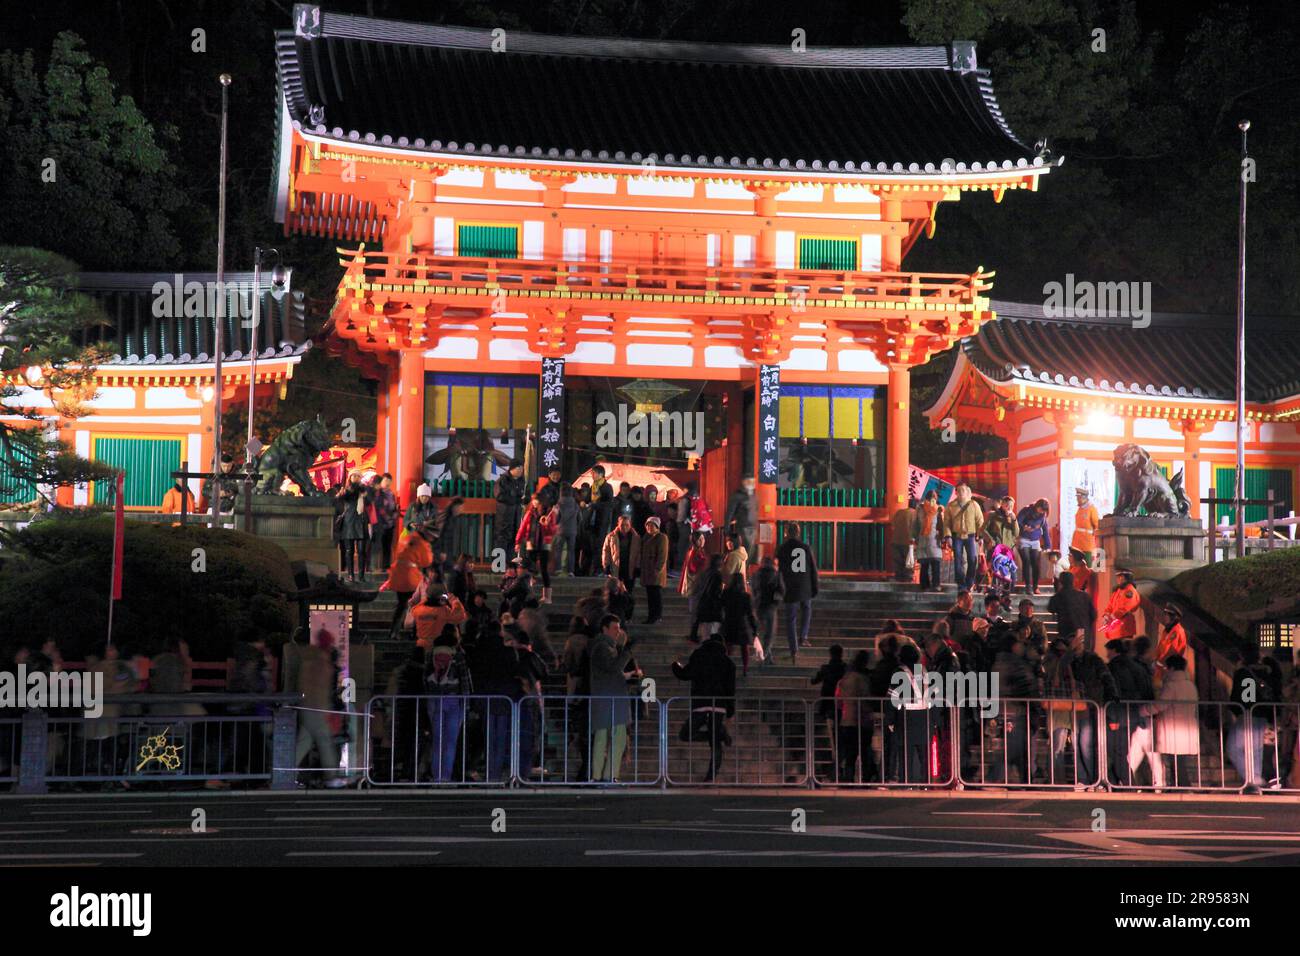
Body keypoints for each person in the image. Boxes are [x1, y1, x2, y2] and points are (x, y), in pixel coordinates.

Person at [672, 632, 736, 782]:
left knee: (685, 734)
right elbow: (730, 690)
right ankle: (711, 775)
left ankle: (719, 734)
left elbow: (685, 674)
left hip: (700, 703)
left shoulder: (699, 655)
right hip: (718, 705)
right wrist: (730, 712)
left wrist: (675, 665)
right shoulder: (728, 663)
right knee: (715, 742)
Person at [293, 631, 347, 787]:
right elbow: (321, 690)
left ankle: (283, 773)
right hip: (319, 709)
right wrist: (327, 710)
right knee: (325, 743)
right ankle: (331, 777)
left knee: (303, 744)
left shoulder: (308, 661)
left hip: (308, 707)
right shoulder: (322, 663)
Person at [1140, 653, 1199, 790]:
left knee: (1174, 760)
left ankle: (1180, 785)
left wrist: (1142, 710)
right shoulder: (1190, 685)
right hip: (1187, 726)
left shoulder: (1171, 686)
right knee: (1179, 760)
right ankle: (1180, 784)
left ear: (1171, 668)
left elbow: (1160, 705)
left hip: (1173, 727)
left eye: (1166, 667)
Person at [589, 614, 635, 782]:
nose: (618, 631)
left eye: (619, 628)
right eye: (615, 628)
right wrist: (627, 651)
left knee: (609, 738)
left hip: (608, 697)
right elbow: (612, 667)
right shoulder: (602, 647)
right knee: (612, 738)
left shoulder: (606, 646)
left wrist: (627, 675)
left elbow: (611, 671)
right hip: (608, 699)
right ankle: (605, 775)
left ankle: (603, 775)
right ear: (605, 629)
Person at [425, 628, 473, 783]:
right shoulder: (457, 656)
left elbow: (424, 678)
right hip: (454, 700)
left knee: (437, 740)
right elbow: (465, 679)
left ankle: (436, 776)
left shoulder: (430, 655)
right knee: (451, 741)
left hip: (434, 700)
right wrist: (466, 702)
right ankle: (446, 775)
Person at [1105, 637, 1153, 788]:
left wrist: (1113, 715)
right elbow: (1147, 691)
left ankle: (1128, 784)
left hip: (1118, 715)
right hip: (1133, 714)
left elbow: (1113, 692)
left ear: (1114, 651)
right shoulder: (1138, 667)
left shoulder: (1114, 668)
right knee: (1120, 749)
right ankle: (1114, 782)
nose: (1107, 655)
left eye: (1108, 651)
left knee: (1116, 750)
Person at [1228, 644, 1272, 793]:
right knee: (1255, 749)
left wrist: (1235, 708)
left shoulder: (1243, 672)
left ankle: (1252, 779)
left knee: (1234, 748)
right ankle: (1256, 778)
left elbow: (1241, 695)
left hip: (1246, 713)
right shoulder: (1266, 672)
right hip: (1261, 713)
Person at [777, 522, 819, 664]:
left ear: (787, 532)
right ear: (798, 533)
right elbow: (813, 569)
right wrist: (815, 586)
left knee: (791, 618)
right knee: (806, 609)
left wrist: (779, 588)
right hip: (805, 585)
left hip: (790, 586)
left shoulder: (783, 549)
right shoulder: (805, 548)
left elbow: (780, 571)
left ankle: (794, 648)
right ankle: (804, 636)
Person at [835, 650, 875, 783]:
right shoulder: (863, 678)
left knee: (850, 754)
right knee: (864, 752)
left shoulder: (844, 679)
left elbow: (838, 700)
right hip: (862, 720)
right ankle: (865, 779)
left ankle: (848, 779)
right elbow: (866, 698)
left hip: (847, 720)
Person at [811, 644, 847, 779]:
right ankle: (838, 765)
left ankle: (836, 764)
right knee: (839, 736)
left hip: (829, 706)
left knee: (833, 736)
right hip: (842, 706)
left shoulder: (826, 668)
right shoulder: (845, 668)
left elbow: (814, 681)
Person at [515, 494, 558, 604]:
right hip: (531, 542)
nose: (534, 503)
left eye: (536, 501)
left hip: (544, 543)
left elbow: (553, 531)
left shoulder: (550, 514)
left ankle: (547, 597)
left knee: (544, 570)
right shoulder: (530, 513)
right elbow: (523, 527)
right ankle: (530, 594)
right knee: (530, 569)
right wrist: (518, 541)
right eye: (534, 501)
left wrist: (546, 525)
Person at [943, 483, 984, 591]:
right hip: (957, 536)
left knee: (972, 559)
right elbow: (946, 522)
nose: (961, 492)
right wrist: (948, 536)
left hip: (970, 536)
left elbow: (980, 522)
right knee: (958, 560)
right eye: (959, 490)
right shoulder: (951, 506)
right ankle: (961, 584)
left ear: (967, 492)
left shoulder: (974, 504)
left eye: (963, 490)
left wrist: (981, 536)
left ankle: (970, 581)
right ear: (956, 492)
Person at [602, 513, 641, 621]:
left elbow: (638, 553)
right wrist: (606, 565)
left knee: (628, 593)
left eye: (626, 525)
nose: (624, 527)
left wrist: (638, 567)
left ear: (630, 525)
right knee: (613, 593)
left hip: (630, 568)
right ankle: (614, 615)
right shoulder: (611, 536)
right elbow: (606, 551)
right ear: (618, 525)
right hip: (616, 568)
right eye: (622, 525)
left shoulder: (636, 537)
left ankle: (627, 616)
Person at [721, 571, 759, 675]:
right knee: (744, 648)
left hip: (729, 622)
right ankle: (745, 669)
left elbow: (721, 606)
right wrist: (754, 628)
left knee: (728, 647)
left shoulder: (726, 593)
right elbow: (750, 613)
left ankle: (726, 668)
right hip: (742, 624)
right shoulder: (746, 596)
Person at [1048, 570, 1097, 652]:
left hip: (1066, 633)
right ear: (1073, 581)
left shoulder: (1058, 596)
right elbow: (1093, 615)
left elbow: (1051, 608)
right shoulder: (1084, 596)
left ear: (1061, 582)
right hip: (1084, 632)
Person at [336, 471, 371, 582]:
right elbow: (340, 499)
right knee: (349, 550)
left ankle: (361, 575)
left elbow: (369, 503)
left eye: (358, 476)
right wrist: (342, 493)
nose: (356, 478)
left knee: (362, 551)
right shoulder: (346, 489)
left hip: (361, 521)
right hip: (349, 522)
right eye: (353, 476)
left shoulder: (364, 490)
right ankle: (351, 575)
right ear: (350, 477)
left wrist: (365, 495)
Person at [1015, 498, 1052, 595]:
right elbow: (1017, 521)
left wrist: (1048, 545)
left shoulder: (1043, 517)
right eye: (1040, 509)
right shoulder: (1027, 510)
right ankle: (1028, 586)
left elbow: (1045, 531)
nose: (1041, 511)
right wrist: (1024, 527)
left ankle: (1035, 586)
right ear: (1037, 506)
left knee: (1035, 564)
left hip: (1035, 541)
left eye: (1044, 510)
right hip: (1024, 539)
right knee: (1026, 561)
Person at [912, 489, 944, 590]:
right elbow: (941, 525)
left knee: (928, 564)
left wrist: (914, 537)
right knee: (932, 564)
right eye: (932, 498)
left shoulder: (936, 509)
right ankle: (933, 585)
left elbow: (915, 525)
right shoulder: (934, 509)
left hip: (929, 539)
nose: (932, 500)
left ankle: (927, 585)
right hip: (930, 539)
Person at [752, 556, 783, 664]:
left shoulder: (756, 575)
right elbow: (782, 590)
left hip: (759, 606)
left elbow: (754, 590)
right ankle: (764, 655)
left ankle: (768, 657)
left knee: (761, 631)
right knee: (770, 633)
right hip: (771, 606)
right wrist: (776, 601)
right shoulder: (776, 574)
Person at [639, 515, 669, 625]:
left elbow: (662, 555)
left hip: (655, 572)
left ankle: (657, 616)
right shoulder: (646, 538)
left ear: (657, 526)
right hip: (647, 571)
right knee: (650, 596)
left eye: (652, 525)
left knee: (656, 595)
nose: (649, 528)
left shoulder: (662, 537)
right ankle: (651, 616)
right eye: (648, 525)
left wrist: (657, 569)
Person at [690, 555, 726, 643]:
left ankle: (694, 636)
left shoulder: (705, 572)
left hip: (700, 600)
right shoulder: (717, 574)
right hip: (709, 603)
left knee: (699, 620)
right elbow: (715, 591)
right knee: (713, 624)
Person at [1154, 604, 1193, 686]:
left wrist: (1159, 663)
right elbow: (1160, 647)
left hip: (1169, 670)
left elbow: (1172, 651)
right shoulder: (1168, 630)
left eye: (1166, 615)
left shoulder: (1177, 632)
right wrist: (1155, 659)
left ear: (1173, 617)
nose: (1164, 617)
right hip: (1162, 670)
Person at [494, 459, 527, 553]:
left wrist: (525, 499)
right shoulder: (503, 480)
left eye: (522, 468)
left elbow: (524, 495)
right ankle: (499, 566)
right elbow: (499, 496)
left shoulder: (522, 481)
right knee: (501, 541)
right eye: (518, 467)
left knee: (514, 541)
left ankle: (510, 566)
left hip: (516, 516)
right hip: (504, 518)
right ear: (511, 469)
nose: (521, 470)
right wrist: (515, 498)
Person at [1101, 569, 1141, 643]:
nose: (1118, 579)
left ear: (1126, 578)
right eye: (1118, 577)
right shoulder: (1118, 591)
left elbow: (1124, 608)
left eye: (1120, 577)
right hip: (1115, 629)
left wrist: (1110, 618)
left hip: (1124, 629)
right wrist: (1106, 616)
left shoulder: (1130, 591)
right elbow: (1110, 606)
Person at [370, 473, 400, 572]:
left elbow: (394, 506)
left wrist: (395, 513)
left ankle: (386, 566)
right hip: (379, 524)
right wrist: (388, 517)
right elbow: (379, 508)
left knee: (387, 546)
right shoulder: (378, 493)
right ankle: (374, 568)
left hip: (390, 524)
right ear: (381, 481)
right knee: (377, 546)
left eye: (389, 481)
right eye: (385, 480)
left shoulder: (391, 494)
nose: (387, 483)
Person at [725, 475, 758, 558]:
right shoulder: (737, 496)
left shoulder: (753, 496)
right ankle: (741, 569)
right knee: (742, 553)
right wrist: (727, 531)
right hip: (743, 528)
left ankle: (744, 569)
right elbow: (729, 514)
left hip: (752, 528)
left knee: (749, 553)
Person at [553, 483, 578, 576]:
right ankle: (571, 571)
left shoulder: (559, 504)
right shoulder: (575, 504)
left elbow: (556, 519)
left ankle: (558, 568)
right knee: (571, 550)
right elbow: (580, 518)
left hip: (561, 530)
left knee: (558, 549)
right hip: (572, 530)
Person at [1071, 486, 1101, 559]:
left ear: (1084, 497)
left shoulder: (1091, 509)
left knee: (1088, 564)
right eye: (1077, 498)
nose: (1077, 500)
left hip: (1087, 544)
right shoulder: (1080, 509)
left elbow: (1097, 525)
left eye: (1079, 498)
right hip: (1077, 543)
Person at [889, 499, 915, 582]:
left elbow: (892, 526)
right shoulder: (916, 514)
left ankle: (898, 580)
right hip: (909, 542)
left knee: (898, 563)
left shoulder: (899, 512)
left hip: (896, 541)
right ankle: (907, 581)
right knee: (908, 563)